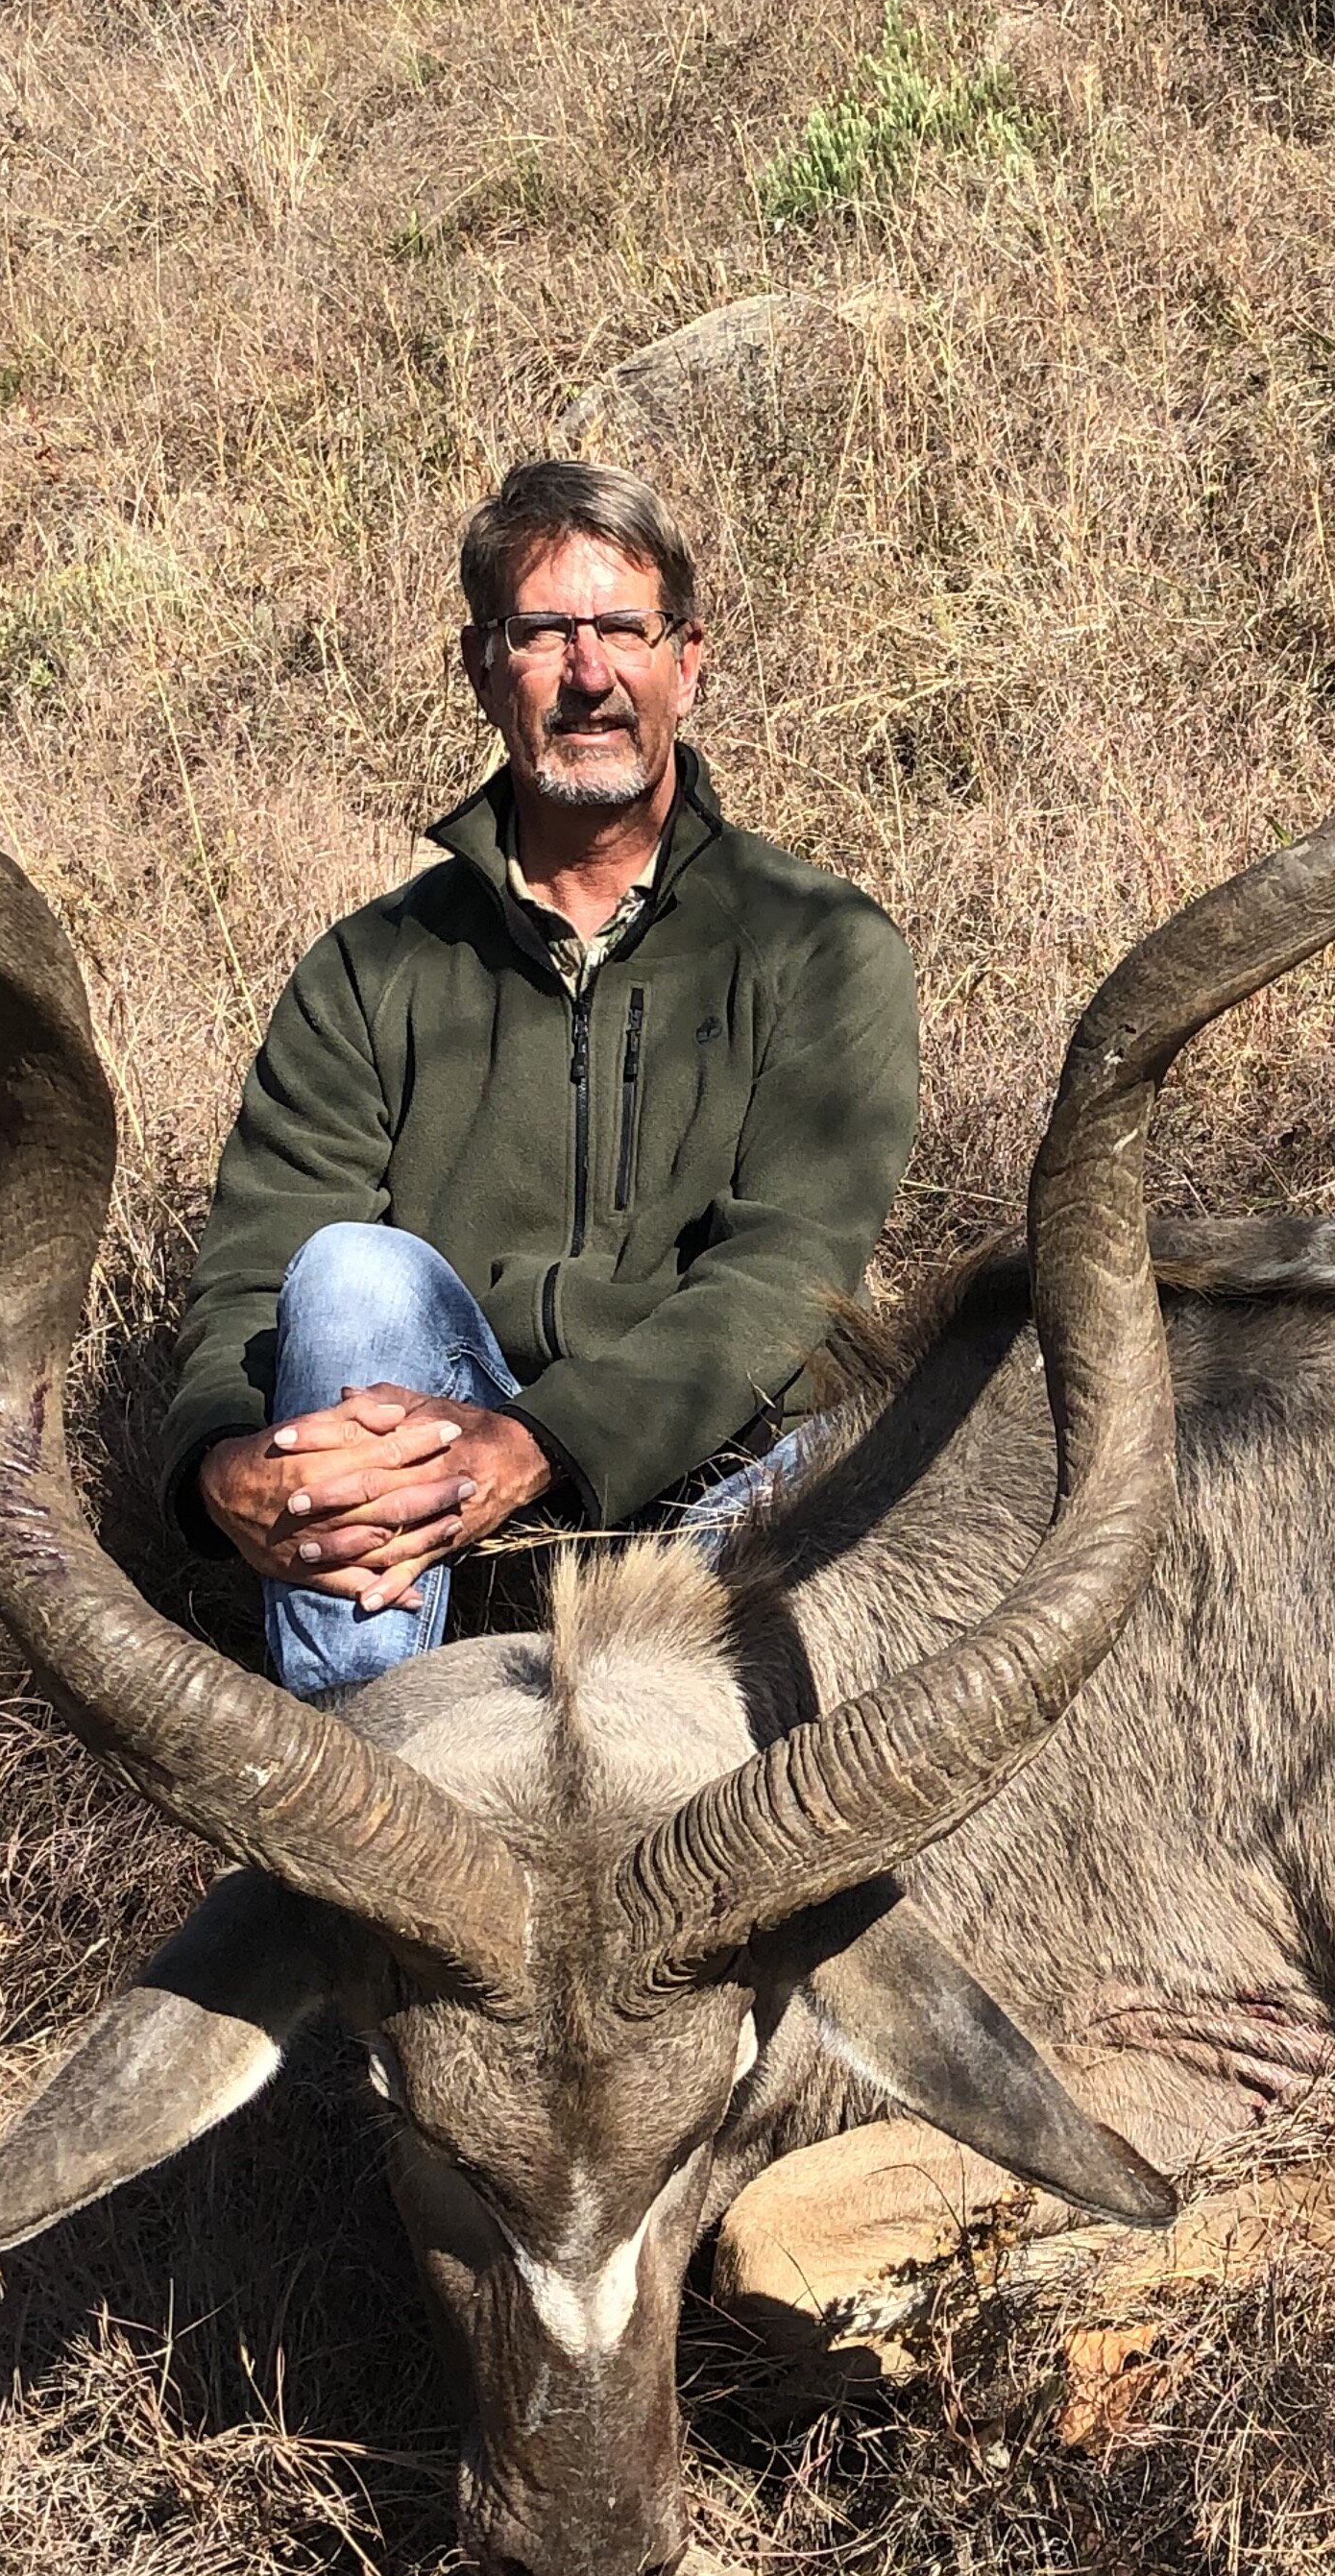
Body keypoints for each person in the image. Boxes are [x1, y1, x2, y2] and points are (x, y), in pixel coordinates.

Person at [156, 459, 918, 1698]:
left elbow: (782, 1284)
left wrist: (541, 1445)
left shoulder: (824, 950)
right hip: (438, 1496)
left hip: (729, 1493)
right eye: (544, 633)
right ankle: (367, 1756)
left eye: (625, 628)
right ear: (480, 665)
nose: (589, 673)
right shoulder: (371, 973)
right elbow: (255, 1278)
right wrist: (218, 1467)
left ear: (689, 662)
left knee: (903, 1447)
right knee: (351, 1277)